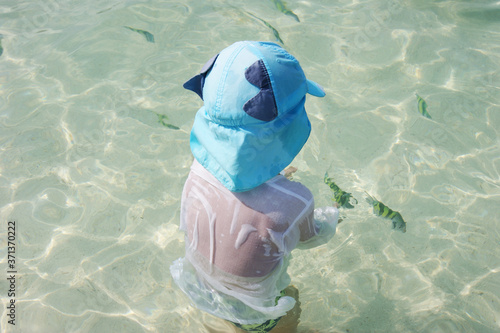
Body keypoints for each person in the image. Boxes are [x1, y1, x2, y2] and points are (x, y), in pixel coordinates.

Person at [170, 41, 340, 333]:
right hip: (254, 307)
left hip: (199, 281)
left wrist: (270, 177)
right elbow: (313, 238)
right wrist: (332, 215)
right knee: (291, 299)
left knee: (227, 320)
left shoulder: (198, 166)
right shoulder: (295, 201)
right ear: (289, 128)